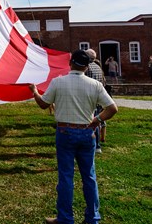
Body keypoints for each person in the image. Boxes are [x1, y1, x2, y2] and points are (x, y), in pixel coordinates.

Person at [28, 49, 118, 224]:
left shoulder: (58, 82)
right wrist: (97, 120)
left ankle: (65, 218)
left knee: (66, 177)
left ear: (70, 63)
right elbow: (112, 108)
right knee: (89, 177)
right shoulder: (95, 85)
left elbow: (42, 104)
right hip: (87, 132)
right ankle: (92, 218)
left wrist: (34, 91)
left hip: (65, 132)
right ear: (86, 66)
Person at [85, 49, 107, 153]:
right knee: (97, 121)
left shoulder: (87, 67)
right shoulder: (98, 67)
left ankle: (94, 144)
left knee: (92, 122)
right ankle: (97, 145)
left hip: (90, 99)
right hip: (98, 98)